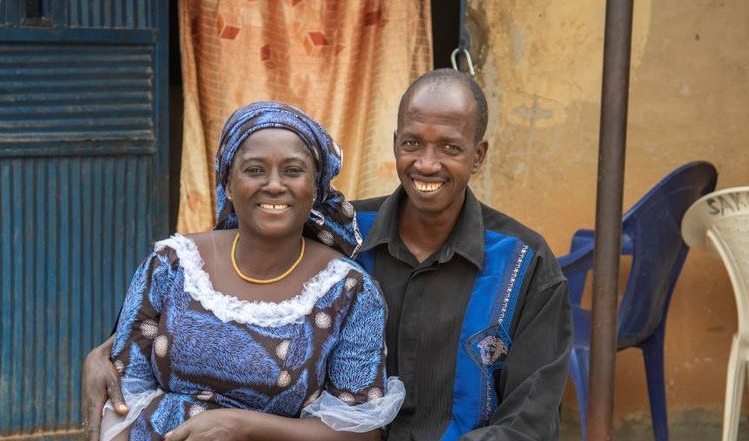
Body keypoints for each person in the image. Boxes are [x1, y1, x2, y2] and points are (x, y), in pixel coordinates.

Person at [83, 69, 572, 440]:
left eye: (450, 147)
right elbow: (176, 317)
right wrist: (102, 353)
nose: (427, 163)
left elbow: (531, 416)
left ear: (479, 155)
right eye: (412, 143)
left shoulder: (522, 264)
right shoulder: (335, 239)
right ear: (395, 145)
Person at [90, 101, 404, 441]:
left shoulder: (348, 291)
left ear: (316, 187)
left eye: (293, 170)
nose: (273, 185)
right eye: (254, 170)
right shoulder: (171, 265)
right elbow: (122, 396)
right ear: (228, 181)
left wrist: (241, 426)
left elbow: (359, 432)